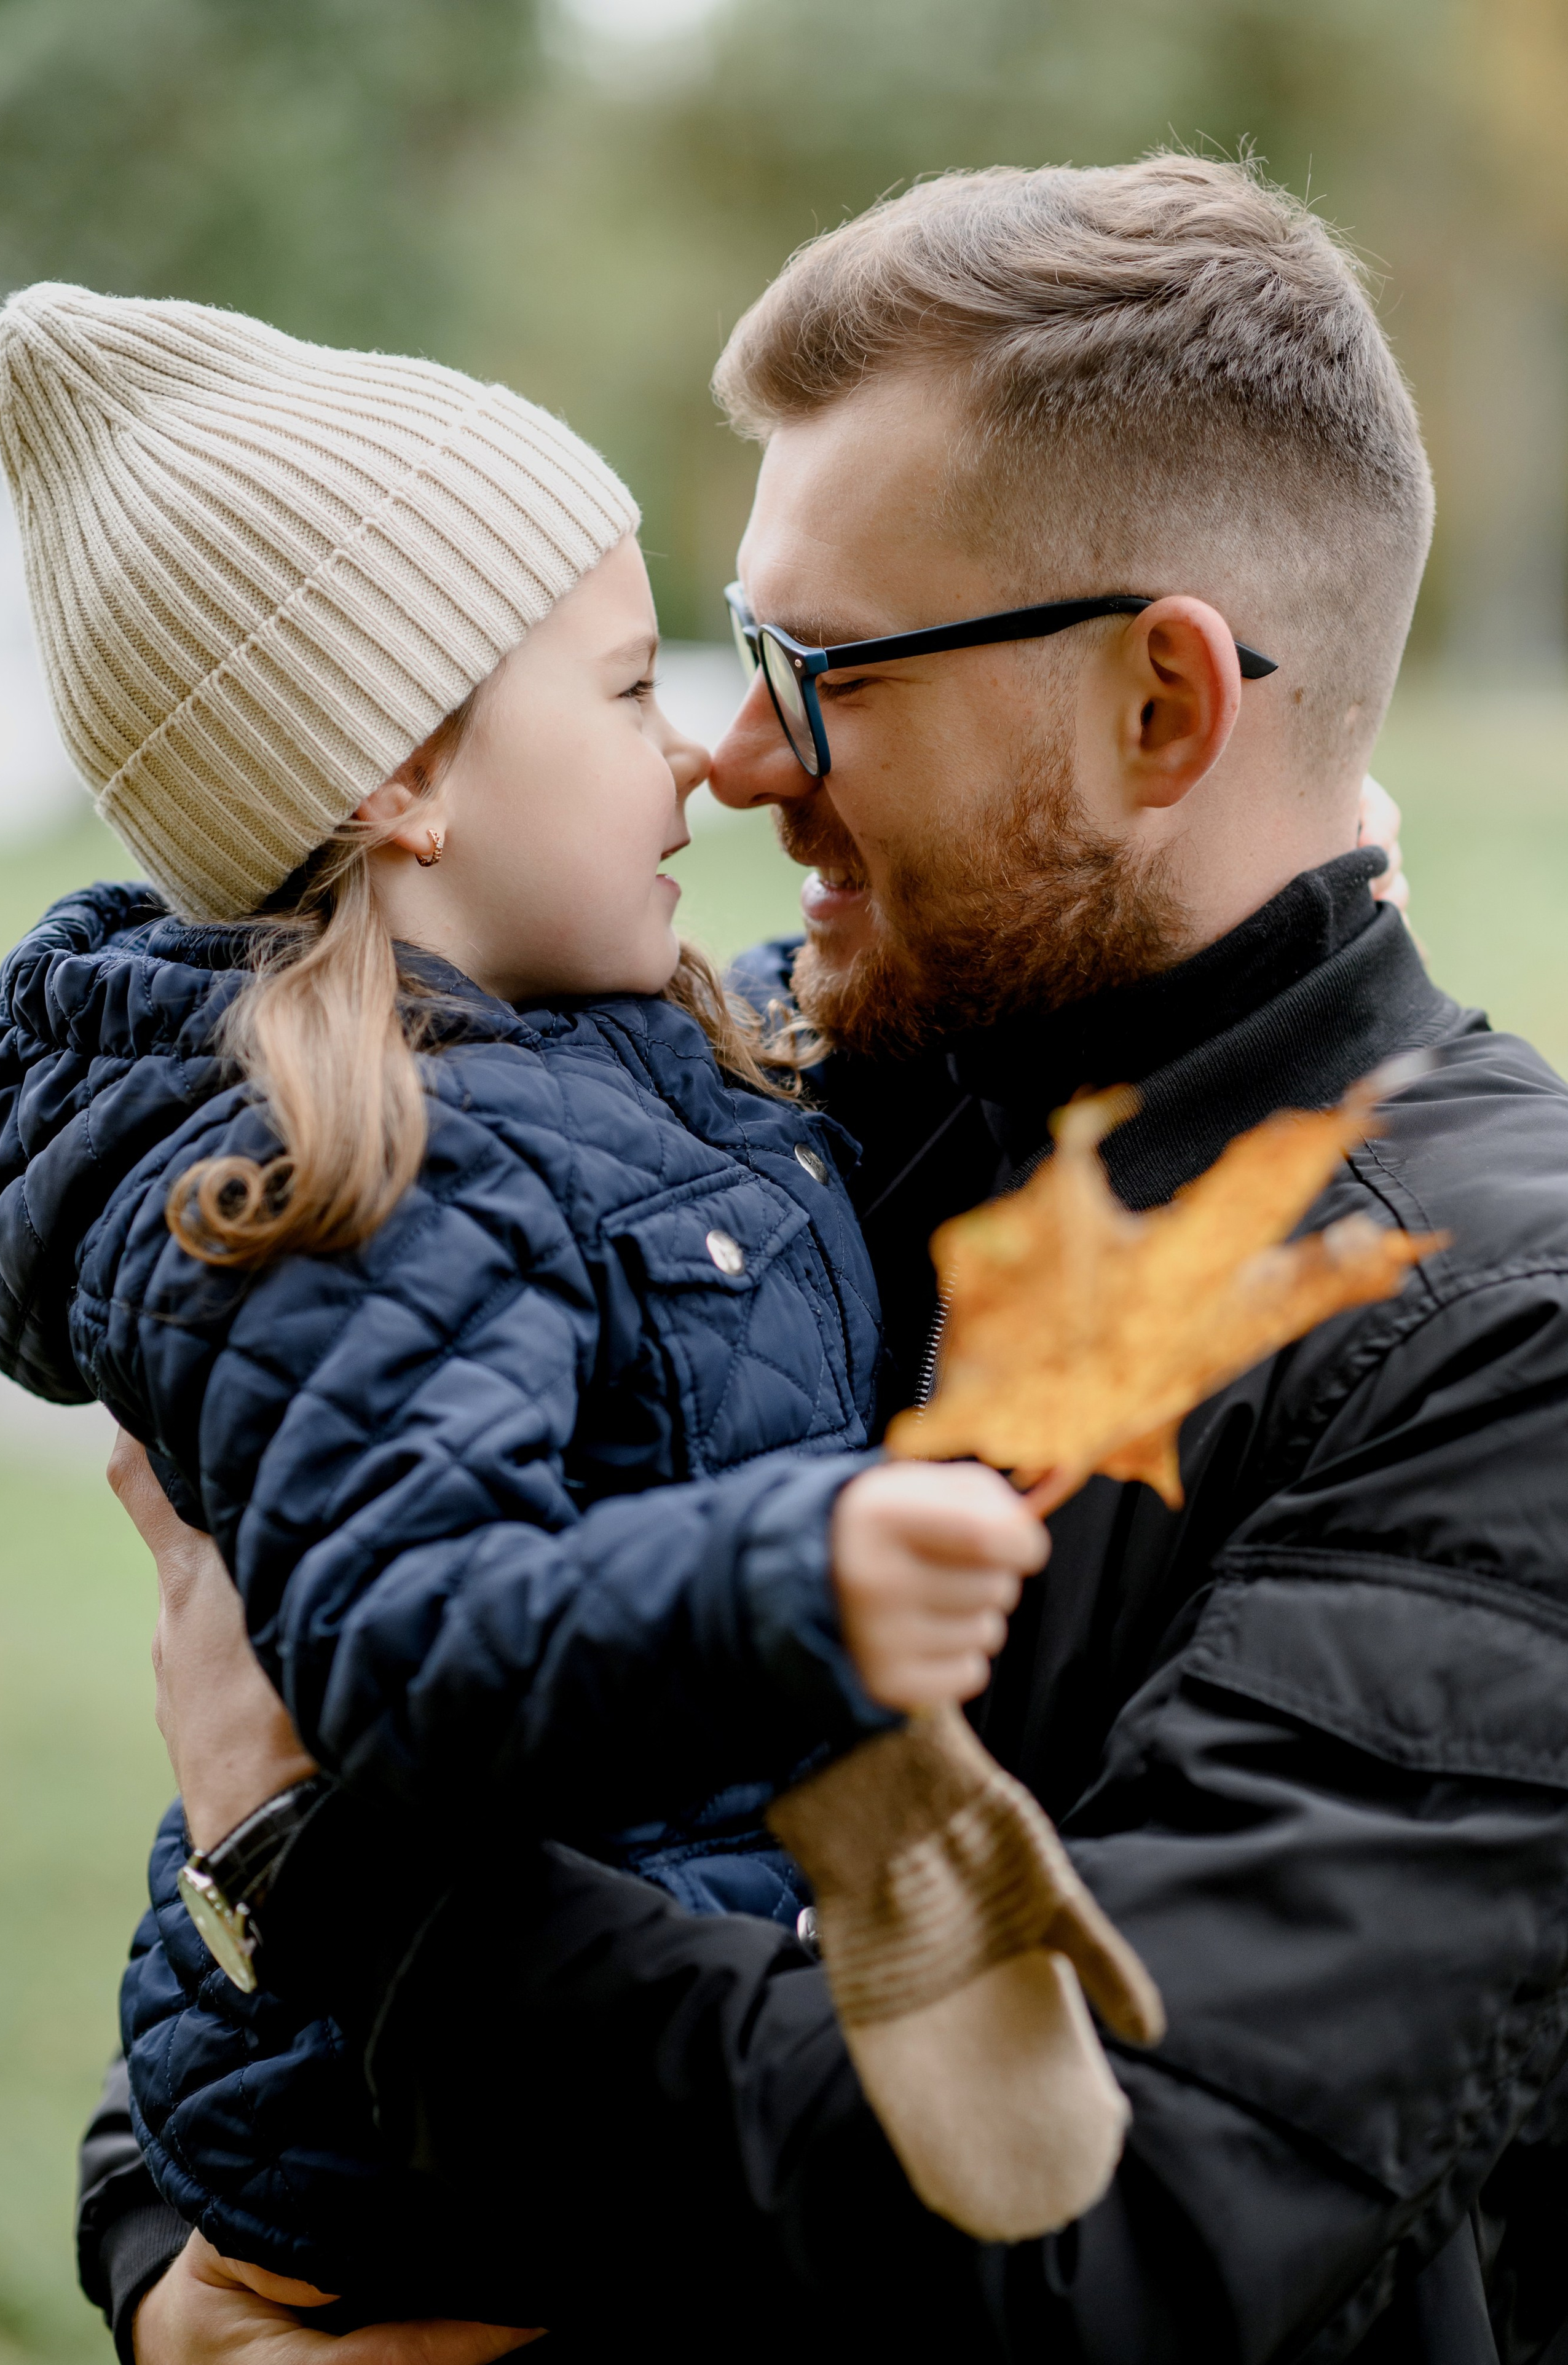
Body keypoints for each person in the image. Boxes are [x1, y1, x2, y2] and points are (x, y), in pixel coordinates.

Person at [85, 152, 1568, 2361]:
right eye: (731, 641)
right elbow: (247, 1905)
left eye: (826, 669)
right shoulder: (718, 1112)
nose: (735, 751)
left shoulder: (1493, 1341)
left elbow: (1115, 2237)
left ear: (1164, 710)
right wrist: (176, 2293)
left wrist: (324, 1865)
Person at [0, 282, 1059, 2331]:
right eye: (621, 687)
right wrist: (791, 1571)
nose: (697, 754)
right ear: (405, 777)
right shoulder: (347, 1183)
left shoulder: (543, 1060)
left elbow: (716, 1141)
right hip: (454, 2164)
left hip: (575, 2055)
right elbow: (412, 1640)